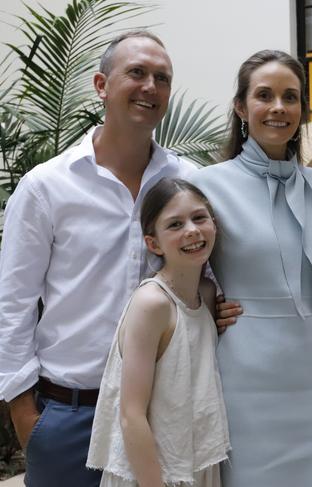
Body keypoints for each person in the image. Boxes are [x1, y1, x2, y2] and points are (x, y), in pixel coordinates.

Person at [0, 31, 199, 487]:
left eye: (162, 78)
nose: (151, 86)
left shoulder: (191, 182)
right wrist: (27, 418)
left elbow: (207, 276)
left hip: (165, 413)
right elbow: (13, 305)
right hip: (70, 418)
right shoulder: (45, 186)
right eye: (137, 73)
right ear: (101, 84)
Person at [189, 50, 312, 487]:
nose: (279, 107)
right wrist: (209, 305)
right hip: (247, 378)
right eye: (264, 95)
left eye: (290, 97)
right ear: (241, 107)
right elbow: (179, 275)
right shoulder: (205, 185)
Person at [86, 178, 229, 487]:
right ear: (153, 243)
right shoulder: (152, 303)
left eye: (199, 218)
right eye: (175, 224)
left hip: (195, 462)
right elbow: (131, 413)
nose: (191, 230)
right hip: (151, 472)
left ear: (214, 225)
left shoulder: (205, 294)